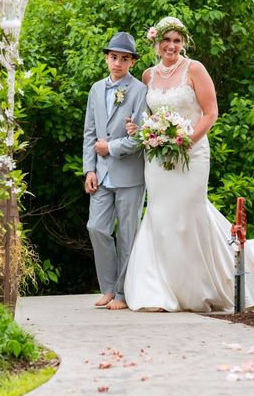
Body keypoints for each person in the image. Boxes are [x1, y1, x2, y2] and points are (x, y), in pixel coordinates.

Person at [124, 17, 254, 312]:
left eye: (178, 41)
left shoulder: (195, 70)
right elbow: (147, 115)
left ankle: (201, 286)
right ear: (156, 42)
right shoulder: (148, 75)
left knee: (189, 213)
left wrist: (187, 139)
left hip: (191, 154)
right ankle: (159, 287)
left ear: (184, 43)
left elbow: (210, 112)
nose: (172, 46)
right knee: (160, 215)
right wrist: (145, 132)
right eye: (167, 41)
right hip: (158, 157)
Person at [83, 32, 148, 310]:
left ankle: (123, 293)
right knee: (96, 227)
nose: (117, 63)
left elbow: (141, 136)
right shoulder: (96, 89)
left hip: (130, 175)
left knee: (127, 234)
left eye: (124, 58)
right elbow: (89, 133)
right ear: (106, 58)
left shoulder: (140, 91)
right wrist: (89, 169)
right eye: (113, 57)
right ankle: (108, 288)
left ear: (132, 62)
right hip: (101, 174)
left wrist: (110, 147)